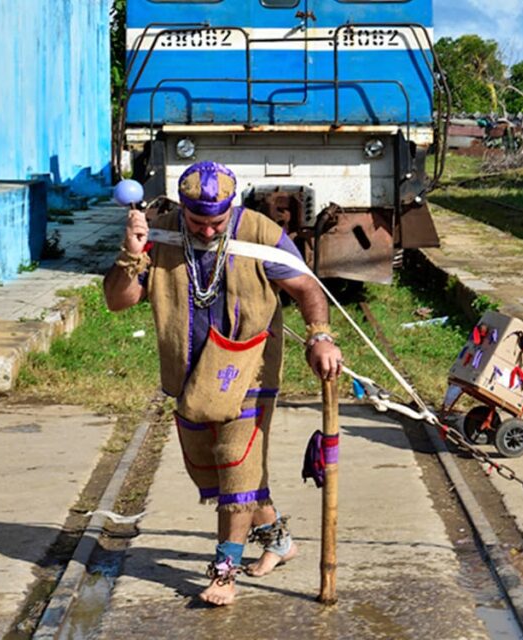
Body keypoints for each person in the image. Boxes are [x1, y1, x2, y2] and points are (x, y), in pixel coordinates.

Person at [103, 161, 342, 606]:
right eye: (198, 223)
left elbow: (307, 288)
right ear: (183, 210)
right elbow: (120, 301)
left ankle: (224, 571)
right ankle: (277, 540)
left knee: (236, 460)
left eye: (216, 223)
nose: (208, 233)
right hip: (189, 374)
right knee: (215, 470)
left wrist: (321, 338)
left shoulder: (261, 232)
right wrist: (132, 252)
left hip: (248, 366)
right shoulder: (160, 232)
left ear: (230, 209)